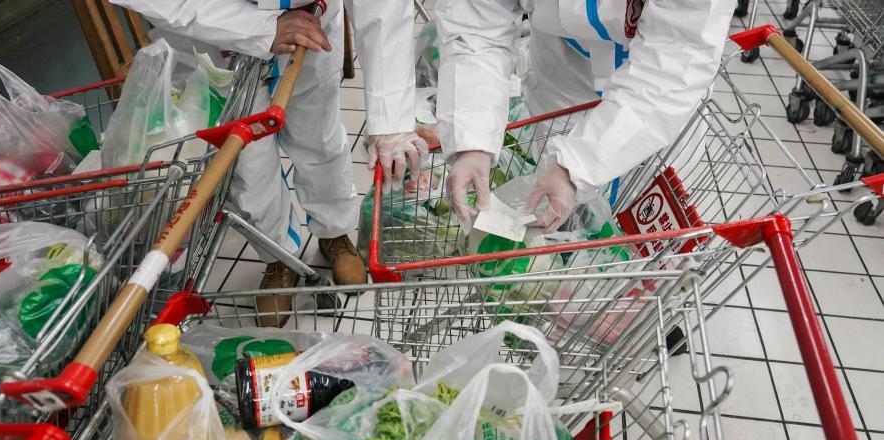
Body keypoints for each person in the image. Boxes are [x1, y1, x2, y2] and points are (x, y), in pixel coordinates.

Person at [112, 0, 426, 325]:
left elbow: (383, 7)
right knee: (249, 168)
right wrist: (260, 28)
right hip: (216, 36)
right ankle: (279, 256)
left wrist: (390, 119)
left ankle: (334, 232)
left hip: (312, 22)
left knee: (321, 140)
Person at [435, 0, 735, 232]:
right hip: (561, 87)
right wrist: (472, 136)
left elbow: (677, 59)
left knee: (647, 261)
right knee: (557, 254)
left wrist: (578, 165)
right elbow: (477, 19)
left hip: (656, 120)